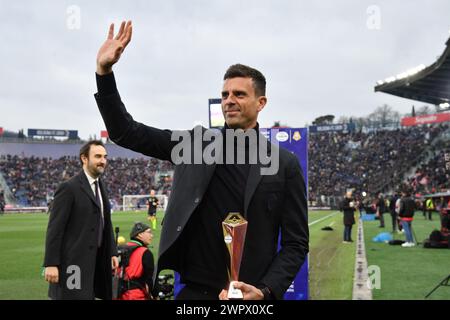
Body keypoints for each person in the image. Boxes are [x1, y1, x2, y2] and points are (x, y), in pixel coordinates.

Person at [94, 21, 308, 300]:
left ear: (261, 103)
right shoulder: (194, 145)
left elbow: (296, 243)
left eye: (239, 94)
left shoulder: (284, 164)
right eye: (225, 95)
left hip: (250, 295)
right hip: (196, 293)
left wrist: (266, 291)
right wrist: (104, 72)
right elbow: (126, 132)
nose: (229, 100)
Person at [43, 140, 118, 299]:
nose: (103, 161)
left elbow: (106, 222)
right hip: (73, 264)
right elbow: (55, 229)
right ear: (84, 159)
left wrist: (111, 252)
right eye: (98, 156)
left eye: (105, 157)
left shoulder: (101, 186)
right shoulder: (69, 188)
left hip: (95, 262)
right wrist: (51, 263)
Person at [118, 222, 155, 300]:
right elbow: (150, 280)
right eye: (149, 232)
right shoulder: (145, 252)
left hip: (118, 293)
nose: (152, 235)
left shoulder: (119, 249)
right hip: (136, 295)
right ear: (140, 234)